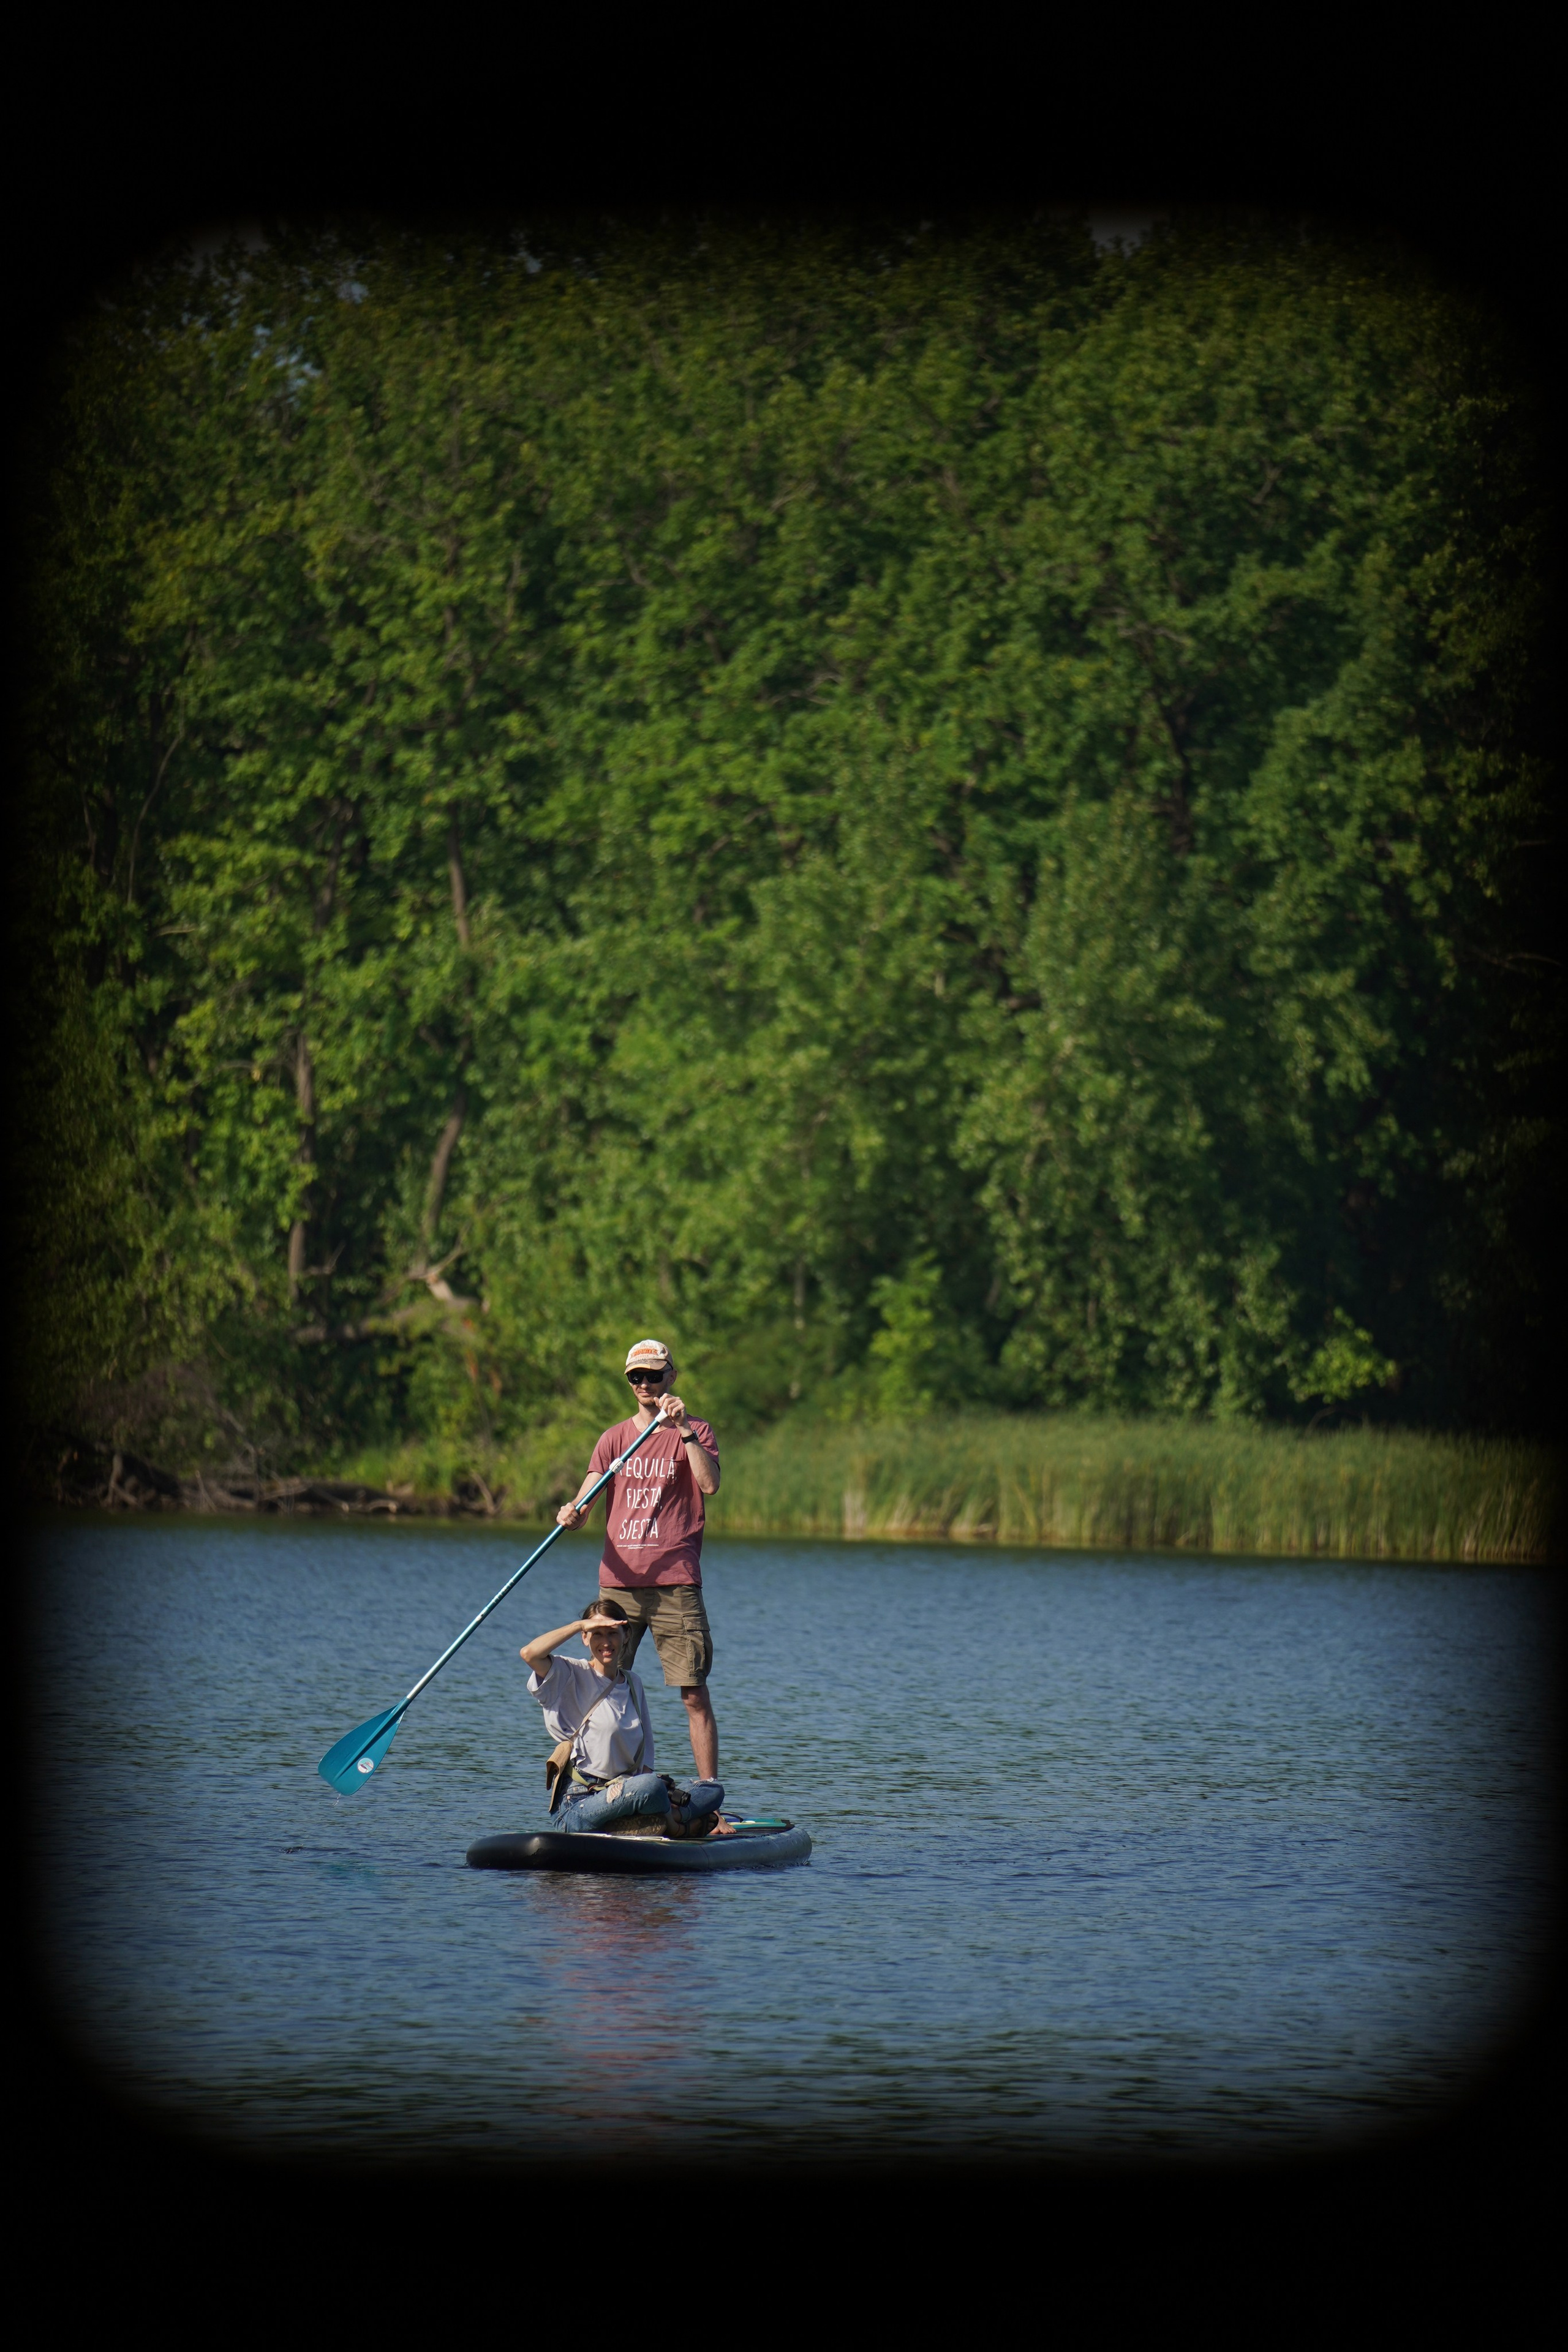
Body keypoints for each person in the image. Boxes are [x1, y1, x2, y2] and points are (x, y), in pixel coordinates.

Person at [554, 1338, 722, 1780]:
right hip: (620, 1582)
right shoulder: (613, 1440)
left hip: (675, 1581)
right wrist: (571, 1513)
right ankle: (591, 1786)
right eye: (636, 1377)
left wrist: (683, 1429)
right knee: (599, 1689)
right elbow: (585, 1503)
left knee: (693, 1694)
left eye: (653, 1374)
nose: (645, 1383)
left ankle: (709, 1798)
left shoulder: (697, 1431)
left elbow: (709, 1485)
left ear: (671, 1377)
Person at [521, 1596, 724, 1834]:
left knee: (711, 1789)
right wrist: (579, 1625)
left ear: (626, 1636)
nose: (606, 1642)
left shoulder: (632, 1682)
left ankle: (661, 1818)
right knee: (650, 1787)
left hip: (628, 1791)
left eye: (612, 1633)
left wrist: (655, 1791)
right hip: (580, 1803)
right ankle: (676, 1825)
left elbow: (646, 1758)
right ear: (585, 1638)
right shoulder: (568, 1673)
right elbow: (529, 1654)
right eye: (597, 1633)